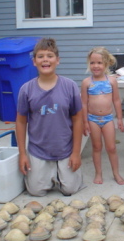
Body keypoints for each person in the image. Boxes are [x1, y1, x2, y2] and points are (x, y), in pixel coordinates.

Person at [15, 38, 85, 196]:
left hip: (65, 148)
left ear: (57, 60)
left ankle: (62, 174)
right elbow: (20, 122)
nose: (45, 59)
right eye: (40, 56)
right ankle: (49, 173)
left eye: (49, 55)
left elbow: (77, 119)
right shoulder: (26, 90)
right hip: (38, 150)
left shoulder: (70, 86)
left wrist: (76, 153)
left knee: (70, 190)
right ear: (34, 62)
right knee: (36, 191)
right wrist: (22, 154)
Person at [81, 47, 124, 185]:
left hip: (108, 119)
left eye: (99, 63)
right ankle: (98, 174)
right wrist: (85, 122)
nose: (96, 66)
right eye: (93, 63)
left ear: (106, 64)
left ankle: (116, 173)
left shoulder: (111, 81)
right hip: (93, 119)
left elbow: (116, 100)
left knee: (111, 147)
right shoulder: (87, 82)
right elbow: (83, 103)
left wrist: (119, 118)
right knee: (96, 147)